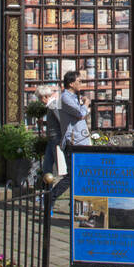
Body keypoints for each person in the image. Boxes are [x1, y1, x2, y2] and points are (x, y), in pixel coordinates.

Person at [46, 71, 91, 204]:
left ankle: (77, 204)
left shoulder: (72, 97)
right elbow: (80, 113)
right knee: (71, 176)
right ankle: (50, 199)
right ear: (71, 83)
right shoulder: (65, 97)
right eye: (79, 81)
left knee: (80, 175)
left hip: (80, 140)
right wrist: (86, 103)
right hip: (73, 141)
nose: (81, 84)